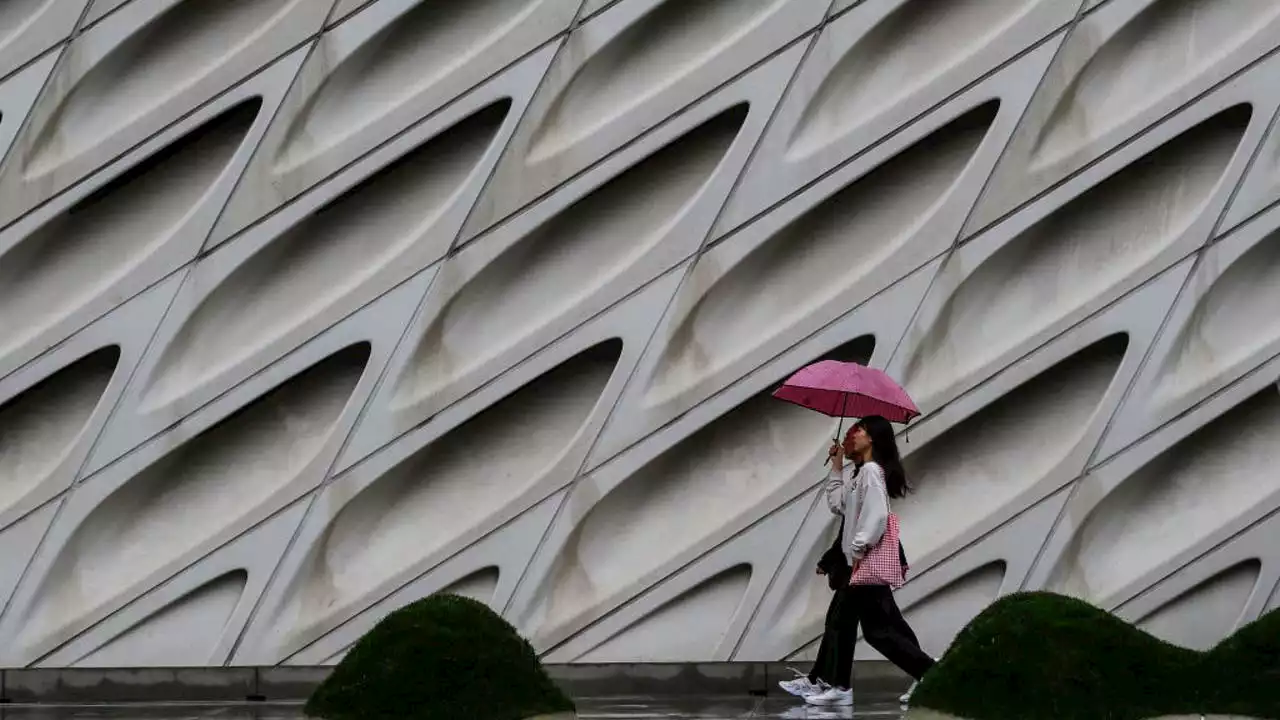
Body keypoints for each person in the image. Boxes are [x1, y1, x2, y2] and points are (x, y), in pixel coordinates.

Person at [803, 416, 936, 708]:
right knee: (881, 629)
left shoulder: (872, 472)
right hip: (859, 564)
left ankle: (836, 686)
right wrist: (837, 465)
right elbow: (839, 505)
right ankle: (929, 673)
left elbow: (877, 516)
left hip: (863, 564)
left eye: (860, 430)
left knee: (855, 626)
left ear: (872, 438)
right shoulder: (861, 473)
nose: (853, 434)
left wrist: (858, 550)